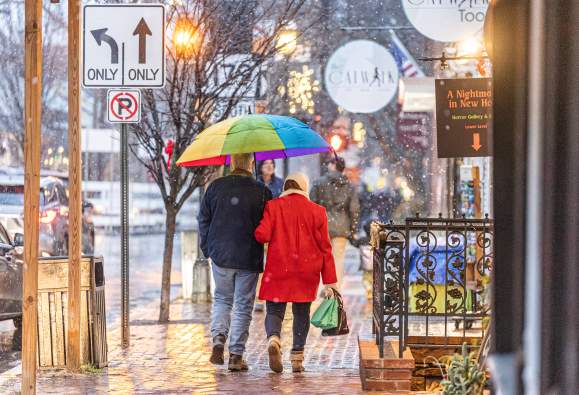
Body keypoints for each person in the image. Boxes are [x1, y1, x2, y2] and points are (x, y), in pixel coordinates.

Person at [255, 173, 337, 373]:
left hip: (278, 268)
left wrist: (260, 219)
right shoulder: (318, 211)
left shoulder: (273, 206)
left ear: (285, 187)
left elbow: (261, 235)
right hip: (306, 271)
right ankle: (297, 358)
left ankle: (274, 338)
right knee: (301, 313)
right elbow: (326, 248)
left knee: (274, 310)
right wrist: (330, 281)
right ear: (304, 187)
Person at [198, 153, 273, 371]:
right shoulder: (262, 191)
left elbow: (203, 219)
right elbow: (267, 224)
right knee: (243, 306)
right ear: (251, 164)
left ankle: (219, 338)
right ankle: (236, 356)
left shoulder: (215, 187)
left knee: (222, 299)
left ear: (232, 164)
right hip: (248, 256)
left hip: (221, 255)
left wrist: (207, 248)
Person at [310, 157, 360, 289]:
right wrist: (353, 230)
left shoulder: (319, 183)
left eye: (329, 163)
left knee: (324, 257)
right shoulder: (349, 186)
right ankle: (335, 289)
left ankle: (324, 287)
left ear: (333, 165)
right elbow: (354, 209)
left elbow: (312, 204)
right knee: (338, 259)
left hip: (323, 225)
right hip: (341, 227)